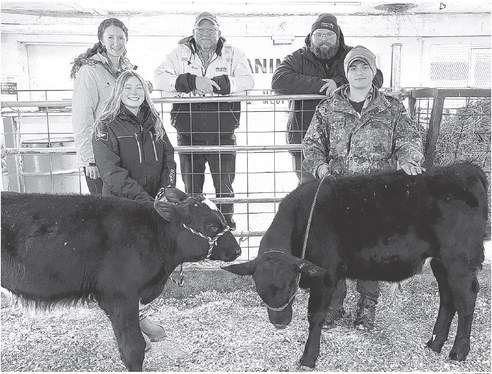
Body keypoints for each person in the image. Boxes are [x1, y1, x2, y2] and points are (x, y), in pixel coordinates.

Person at [302, 45, 425, 330]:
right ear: (346, 73)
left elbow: (409, 139)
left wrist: (409, 160)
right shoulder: (328, 107)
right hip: (338, 191)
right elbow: (311, 145)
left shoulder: (391, 107)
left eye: (365, 67)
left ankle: (367, 307)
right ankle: (334, 306)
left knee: (370, 251)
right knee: (336, 250)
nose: (359, 72)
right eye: (353, 68)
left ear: (374, 71)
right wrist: (321, 168)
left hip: (376, 193)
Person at [92, 70, 176, 348]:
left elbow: (169, 159)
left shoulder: (154, 121)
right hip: (121, 209)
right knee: (124, 270)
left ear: (145, 91)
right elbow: (110, 172)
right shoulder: (106, 125)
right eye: (127, 86)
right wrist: (145, 201)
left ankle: (137, 317)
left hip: (153, 205)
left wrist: (164, 192)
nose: (133, 91)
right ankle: (132, 324)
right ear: (118, 91)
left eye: (138, 86)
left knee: (145, 265)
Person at [154, 11, 254, 230]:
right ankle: (196, 231)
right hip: (188, 134)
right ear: (193, 32)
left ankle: (225, 227)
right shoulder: (179, 53)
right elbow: (159, 77)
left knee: (224, 188)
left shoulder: (233, 53)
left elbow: (248, 81)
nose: (206, 34)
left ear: (219, 33)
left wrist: (224, 84)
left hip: (223, 134)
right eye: (201, 30)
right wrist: (190, 81)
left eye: (211, 30)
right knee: (192, 188)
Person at [272, 13, 384, 185]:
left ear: (338, 37)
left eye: (329, 35)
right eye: (318, 35)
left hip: (347, 140)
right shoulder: (297, 58)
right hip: (305, 137)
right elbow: (278, 80)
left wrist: (337, 84)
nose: (323, 39)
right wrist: (320, 86)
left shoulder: (352, 54)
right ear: (311, 37)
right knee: (308, 189)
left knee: (345, 190)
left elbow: (377, 77)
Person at [71, 18, 136, 195]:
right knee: (104, 213)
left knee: (125, 210)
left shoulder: (127, 69)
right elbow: (82, 117)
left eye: (121, 38)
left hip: (124, 151)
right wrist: (90, 159)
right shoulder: (89, 71)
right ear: (102, 40)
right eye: (111, 38)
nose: (116, 43)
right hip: (101, 154)